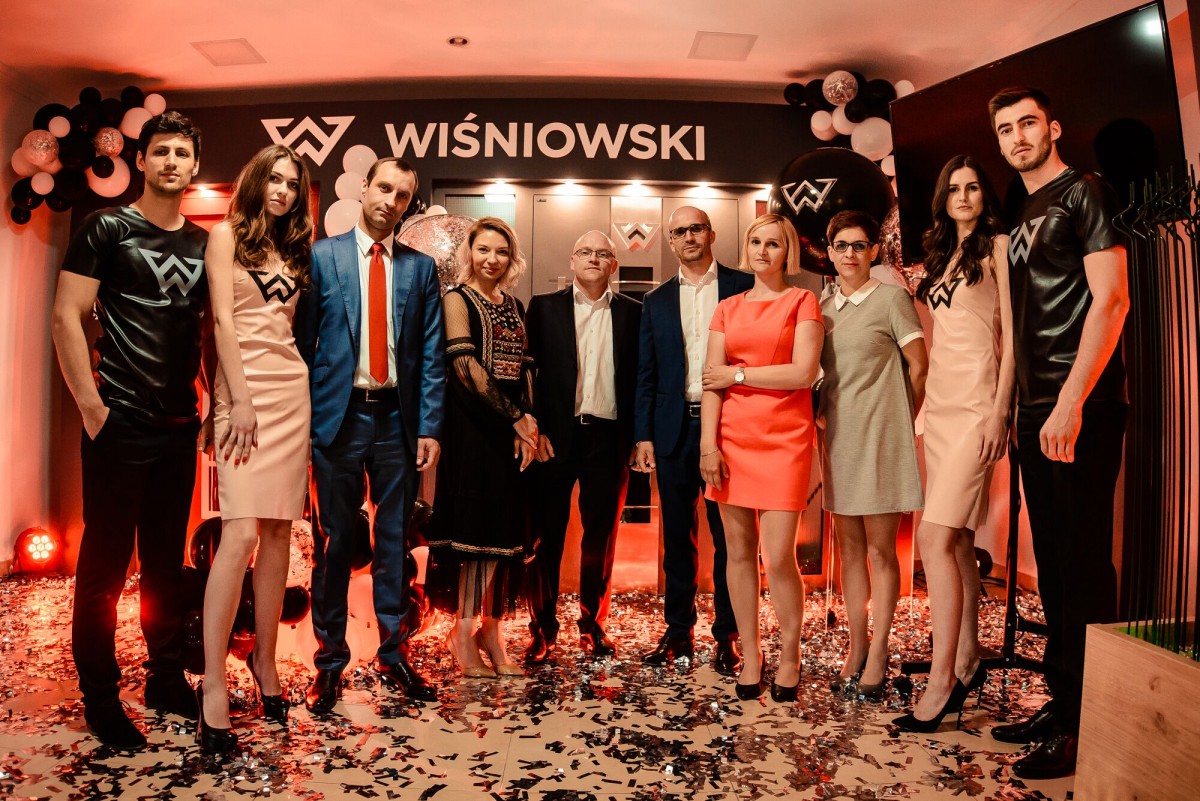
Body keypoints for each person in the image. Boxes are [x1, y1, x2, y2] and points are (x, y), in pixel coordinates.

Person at [985, 87, 1129, 780]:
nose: (1017, 136)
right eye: (1005, 129)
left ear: (1054, 128)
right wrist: (1020, 408)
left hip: (1079, 408)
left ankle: (1088, 725)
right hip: (1035, 409)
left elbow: (1112, 300)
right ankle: (1063, 704)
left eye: (1028, 123)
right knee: (1055, 569)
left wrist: (1071, 402)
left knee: (1083, 569)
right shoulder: (1021, 209)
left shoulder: (1085, 192)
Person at [51, 111, 207, 751]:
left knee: (165, 567)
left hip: (179, 427)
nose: (171, 162)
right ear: (141, 161)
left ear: (194, 166)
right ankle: (100, 697)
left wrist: (210, 406)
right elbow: (66, 316)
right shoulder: (106, 227)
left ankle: (165, 679)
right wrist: (93, 409)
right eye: (161, 151)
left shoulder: (203, 243)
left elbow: (206, 332)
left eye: (182, 153)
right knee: (105, 571)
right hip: (118, 423)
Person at [296, 157, 445, 713]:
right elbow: (302, 346)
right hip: (337, 420)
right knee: (333, 544)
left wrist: (429, 426)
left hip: (397, 423)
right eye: (384, 188)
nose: (390, 201)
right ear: (364, 188)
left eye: (402, 195)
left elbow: (431, 354)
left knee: (393, 543)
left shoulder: (420, 269)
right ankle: (329, 662)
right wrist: (304, 422)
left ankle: (393, 654)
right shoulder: (322, 256)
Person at [196, 145, 313, 754]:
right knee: (239, 534)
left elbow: (291, 330)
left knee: (277, 534)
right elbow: (221, 322)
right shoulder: (224, 237)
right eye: (275, 179)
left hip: (291, 394)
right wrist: (236, 401)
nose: (283, 190)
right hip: (241, 394)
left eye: (293, 183)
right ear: (256, 180)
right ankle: (213, 681)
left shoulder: (295, 250)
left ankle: (265, 662)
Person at [892, 156, 1014, 733]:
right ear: (942, 198)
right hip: (939, 409)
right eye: (954, 189)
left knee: (933, 538)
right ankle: (966, 661)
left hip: (977, 407)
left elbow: (1011, 338)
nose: (963, 196)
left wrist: (1000, 411)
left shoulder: (999, 249)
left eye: (973, 187)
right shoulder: (942, 256)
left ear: (985, 195)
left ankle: (940, 680)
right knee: (958, 538)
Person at [699, 214, 822, 701]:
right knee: (737, 553)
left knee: (778, 556)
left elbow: (802, 373)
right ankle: (751, 654)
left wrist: (740, 375)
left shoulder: (802, 300)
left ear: (787, 251)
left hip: (786, 439)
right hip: (732, 438)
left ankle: (790, 654)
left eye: (773, 243)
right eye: (755, 241)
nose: (763, 251)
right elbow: (710, 381)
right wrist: (709, 445)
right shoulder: (727, 307)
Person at [633, 206, 754, 675]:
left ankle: (729, 635)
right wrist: (643, 435)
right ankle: (678, 631)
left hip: (730, 426)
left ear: (711, 233)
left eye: (695, 228)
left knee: (730, 538)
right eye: (679, 231)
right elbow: (646, 373)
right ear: (671, 241)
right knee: (677, 538)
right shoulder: (657, 300)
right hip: (674, 428)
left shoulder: (744, 286)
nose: (688, 237)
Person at [818, 210, 928, 701]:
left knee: (882, 551)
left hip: (881, 438)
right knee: (850, 551)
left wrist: (898, 421)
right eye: (841, 246)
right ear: (829, 252)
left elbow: (919, 367)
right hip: (839, 440)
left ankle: (880, 648)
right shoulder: (822, 308)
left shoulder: (891, 299)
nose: (850, 254)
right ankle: (857, 644)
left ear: (874, 251)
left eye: (859, 245)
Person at [425, 217, 537, 679]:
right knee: (474, 538)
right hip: (471, 430)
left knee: (502, 536)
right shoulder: (457, 299)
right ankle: (462, 631)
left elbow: (525, 369)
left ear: (512, 258)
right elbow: (465, 367)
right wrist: (514, 417)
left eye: (502, 251)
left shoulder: (514, 305)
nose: (492, 259)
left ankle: (491, 632)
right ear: (468, 253)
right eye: (483, 250)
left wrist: (527, 425)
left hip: (507, 432)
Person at [524, 230, 642, 663]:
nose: (594, 258)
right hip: (553, 439)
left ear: (614, 264)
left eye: (603, 253)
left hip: (608, 438)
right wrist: (534, 429)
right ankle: (542, 628)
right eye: (585, 252)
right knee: (546, 536)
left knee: (601, 537)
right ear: (573, 260)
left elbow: (641, 379)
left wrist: (639, 437)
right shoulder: (543, 307)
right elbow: (526, 373)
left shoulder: (634, 312)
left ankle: (593, 624)